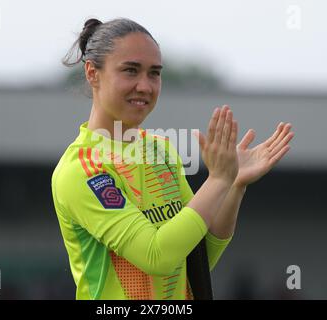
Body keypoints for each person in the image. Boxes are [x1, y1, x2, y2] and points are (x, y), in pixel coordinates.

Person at [51, 17, 294, 300]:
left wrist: (233, 185)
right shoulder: (82, 170)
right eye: (130, 71)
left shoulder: (160, 150)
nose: (145, 86)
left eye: (154, 73)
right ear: (93, 73)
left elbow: (195, 257)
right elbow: (158, 256)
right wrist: (218, 180)